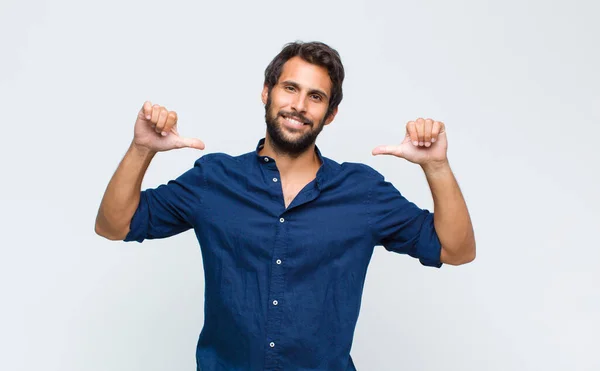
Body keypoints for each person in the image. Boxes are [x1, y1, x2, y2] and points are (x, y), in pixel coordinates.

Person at [95, 41, 475, 371]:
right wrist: (142, 148)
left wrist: (436, 165)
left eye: (316, 96)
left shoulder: (362, 192)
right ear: (266, 92)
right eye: (290, 88)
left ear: (331, 113)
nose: (298, 105)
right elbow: (115, 224)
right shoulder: (214, 180)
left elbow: (456, 249)